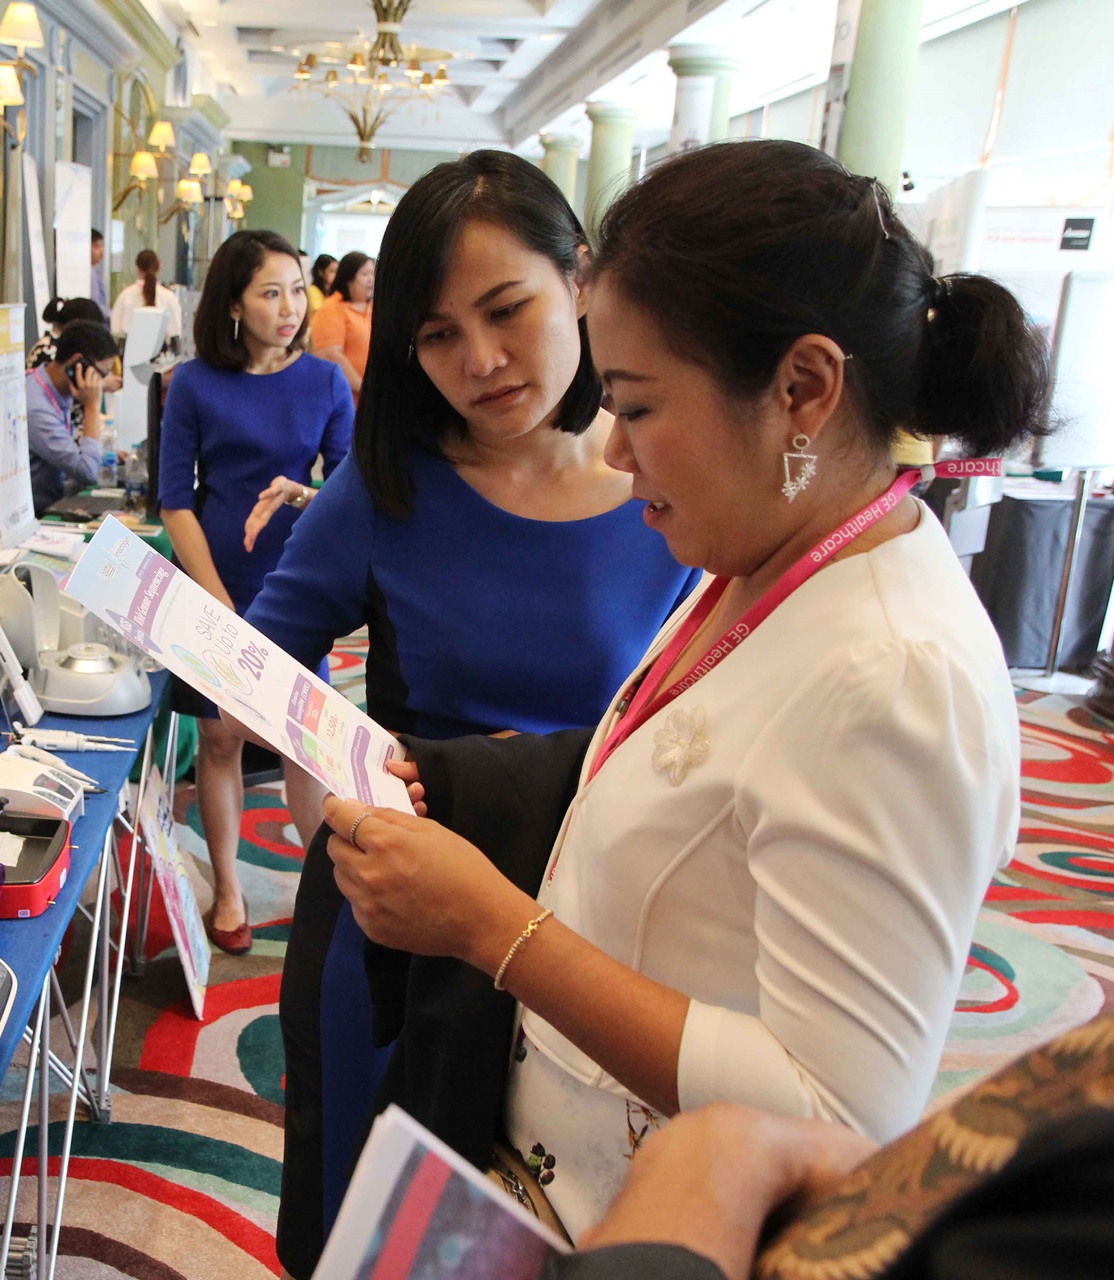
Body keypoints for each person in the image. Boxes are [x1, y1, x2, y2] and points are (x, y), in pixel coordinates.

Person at [318, 137, 1052, 1246]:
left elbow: (838, 1118)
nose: (615, 453)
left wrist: (490, 925)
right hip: (551, 1170)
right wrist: (474, 776)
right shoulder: (767, 556)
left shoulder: (897, 677)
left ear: (802, 389)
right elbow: (695, 763)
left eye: (640, 407)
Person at [246, 150, 701, 1276]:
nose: (481, 362)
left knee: (553, 1223)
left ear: (580, 279)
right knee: (370, 1222)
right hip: (398, 915)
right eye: (438, 334)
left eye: (507, 311)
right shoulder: (389, 484)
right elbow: (259, 667)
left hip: (593, 920)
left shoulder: (668, 482)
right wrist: (332, 803)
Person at [157, 228, 354, 955]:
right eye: (271, 293)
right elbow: (174, 500)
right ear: (235, 304)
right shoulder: (194, 383)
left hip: (297, 583)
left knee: (305, 743)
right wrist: (215, 602)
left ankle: (324, 895)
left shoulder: (326, 382)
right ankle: (230, 888)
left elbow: (350, 493)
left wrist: (302, 494)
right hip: (215, 578)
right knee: (221, 739)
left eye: (298, 290)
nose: (291, 307)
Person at [25, 319, 119, 513]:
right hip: (40, 510)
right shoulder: (37, 407)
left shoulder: (56, 387)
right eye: (100, 375)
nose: (101, 383)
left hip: (58, 496)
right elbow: (87, 471)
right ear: (77, 363)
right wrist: (92, 406)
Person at [310, 251, 374, 397]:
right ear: (348, 278)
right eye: (365, 274)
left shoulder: (374, 309)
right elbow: (330, 355)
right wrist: (363, 389)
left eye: (372, 273)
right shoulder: (331, 308)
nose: (371, 279)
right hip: (345, 397)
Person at [111, 248, 184, 350]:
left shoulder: (125, 296)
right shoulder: (169, 297)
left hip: (129, 351)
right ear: (159, 267)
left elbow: (115, 330)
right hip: (161, 353)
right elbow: (176, 332)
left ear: (137, 269)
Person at [308, 253, 337, 318]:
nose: (336, 275)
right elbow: (320, 314)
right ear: (320, 272)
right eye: (332, 271)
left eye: (337, 271)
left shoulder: (333, 292)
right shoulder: (313, 290)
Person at [90, 227, 110, 310]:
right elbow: (95, 304)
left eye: (102, 246)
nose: (102, 251)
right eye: (97, 246)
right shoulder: (89, 273)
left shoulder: (96, 270)